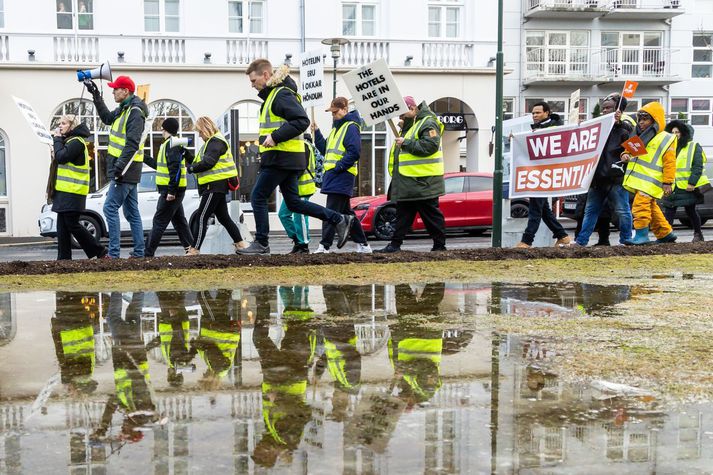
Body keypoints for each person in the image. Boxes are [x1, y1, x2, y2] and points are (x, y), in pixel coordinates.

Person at [239, 59, 353, 255]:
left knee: (258, 196)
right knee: (294, 203)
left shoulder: (280, 95)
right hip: (286, 158)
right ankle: (339, 219)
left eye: (253, 80)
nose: (252, 85)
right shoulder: (275, 95)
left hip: (281, 158)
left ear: (266, 75)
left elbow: (302, 120)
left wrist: (275, 137)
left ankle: (262, 243)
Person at [85, 75, 147, 258]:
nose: (113, 92)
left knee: (109, 208)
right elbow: (106, 118)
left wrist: (119, 167)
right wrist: (96, 95)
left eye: (115, 89)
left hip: (125, 169)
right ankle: (139, 252)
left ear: (125, 91)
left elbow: (133, 143)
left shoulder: (135, 111)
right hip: (128, 168)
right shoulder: (124, 108)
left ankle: (113, 253)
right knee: (131, 212)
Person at [375, 96, 447, 253]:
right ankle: (395, 245)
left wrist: (406, 142)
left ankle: (439, 246)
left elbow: (430, 146)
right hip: (411, 182)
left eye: (402, 114)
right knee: (403, 215)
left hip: (423, 181)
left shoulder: (428, 122)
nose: (400, 118)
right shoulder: (413, 123)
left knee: (430, 215)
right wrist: (405, 126)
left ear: (413, 108)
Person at [571, 95, 634, 247]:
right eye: (603, 108)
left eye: (609, 108)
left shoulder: (625, 127)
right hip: (597, 178)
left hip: (615, 178)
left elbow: (634, 141)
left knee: (622, 210)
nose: (605, 111)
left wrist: (618, 123)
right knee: (590, 211)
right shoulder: (595, 127)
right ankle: (581, 241)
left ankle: (627, 240)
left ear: (618, 110)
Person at [313, 97, 372, 254]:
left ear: (345, 109)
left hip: (341, 175)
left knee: (330, 212)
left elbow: (355, 152)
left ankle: (324, 246)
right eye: (332, 112)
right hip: (336, 175)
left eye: (336, 112)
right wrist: (317, 132)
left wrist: (338, 167)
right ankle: (364, 245)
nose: (333, 115)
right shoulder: (337, 129)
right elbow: (325, 149)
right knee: (347, 213)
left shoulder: (350, 127)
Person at [185, 116, 247, 255]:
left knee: (202, 217)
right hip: (216, 185)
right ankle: (241, 244)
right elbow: (200, 161)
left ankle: (194, 249)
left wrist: (190, 169)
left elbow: (208, 163)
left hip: (214, 185)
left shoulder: (215, 142)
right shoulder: (211, 143)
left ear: (206, 129)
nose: (200, 136)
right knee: (224, 218)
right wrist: (187, 155)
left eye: (200, 132)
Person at [51, 114, 107, 260]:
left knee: (72, 225)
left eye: (63, 123)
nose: (60, 126)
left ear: (72, 125)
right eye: (59, 123)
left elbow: (62, 157)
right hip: (64, 192)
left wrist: (56, 140)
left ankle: (99, 251)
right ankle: (63, 259)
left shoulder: (76, 142)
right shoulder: (69, 141)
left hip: (72, 192)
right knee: (62, 227)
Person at [515, 102, 571, 248]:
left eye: (538, 113)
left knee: (535, 209)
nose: (534, 116)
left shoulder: (553, 128)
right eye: (533, 113)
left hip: (545, 175)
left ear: (547, 113)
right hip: (539, 173)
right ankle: (562, 235)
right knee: (544, 210)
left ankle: (527, 241)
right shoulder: (539, 128)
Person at [621, 102, 677, 245]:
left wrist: (668, 182)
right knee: (651, 208)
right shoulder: (638, 134)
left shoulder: (667, 138)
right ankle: (665, 234)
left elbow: (670, 163)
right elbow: (629, 150)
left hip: (653, 181)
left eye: (645, 119)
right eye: (640, 119)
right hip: (642, 181)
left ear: (655, 120)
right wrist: (625, 155)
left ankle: (641, 236)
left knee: (640, 206)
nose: (641, 122)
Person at [143, 118, 194, 257]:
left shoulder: (172, 144)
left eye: (162, 128)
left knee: (159, 221)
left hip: (171, 191)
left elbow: (175, 169)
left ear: (165, 129)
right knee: (179, 222)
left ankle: (147, 253)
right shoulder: (170, 144)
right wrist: (143, 157)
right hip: (173, 190)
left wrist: (171, 191)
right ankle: (191, 249)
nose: (160, 130)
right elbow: (159, 166)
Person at [661, 120, 709, 242]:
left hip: (687, 186)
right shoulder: (668, 147)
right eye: (672, 132)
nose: (675, 134)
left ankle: (698, 234)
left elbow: (698, 166)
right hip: (672, 185)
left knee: (690, 211)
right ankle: (667, 236)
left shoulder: (693, 146)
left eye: (677, 132)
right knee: (669, 211)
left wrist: (692, 183)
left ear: (683, 133)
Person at [278, 135, 316, 254]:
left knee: (300, 217)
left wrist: (286, 182)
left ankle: (304, 245)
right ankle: (297, 240)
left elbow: (300, 168)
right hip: (294, 189)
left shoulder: (304, 145)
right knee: (283, 214)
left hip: (303, 187)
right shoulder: (300, 145)